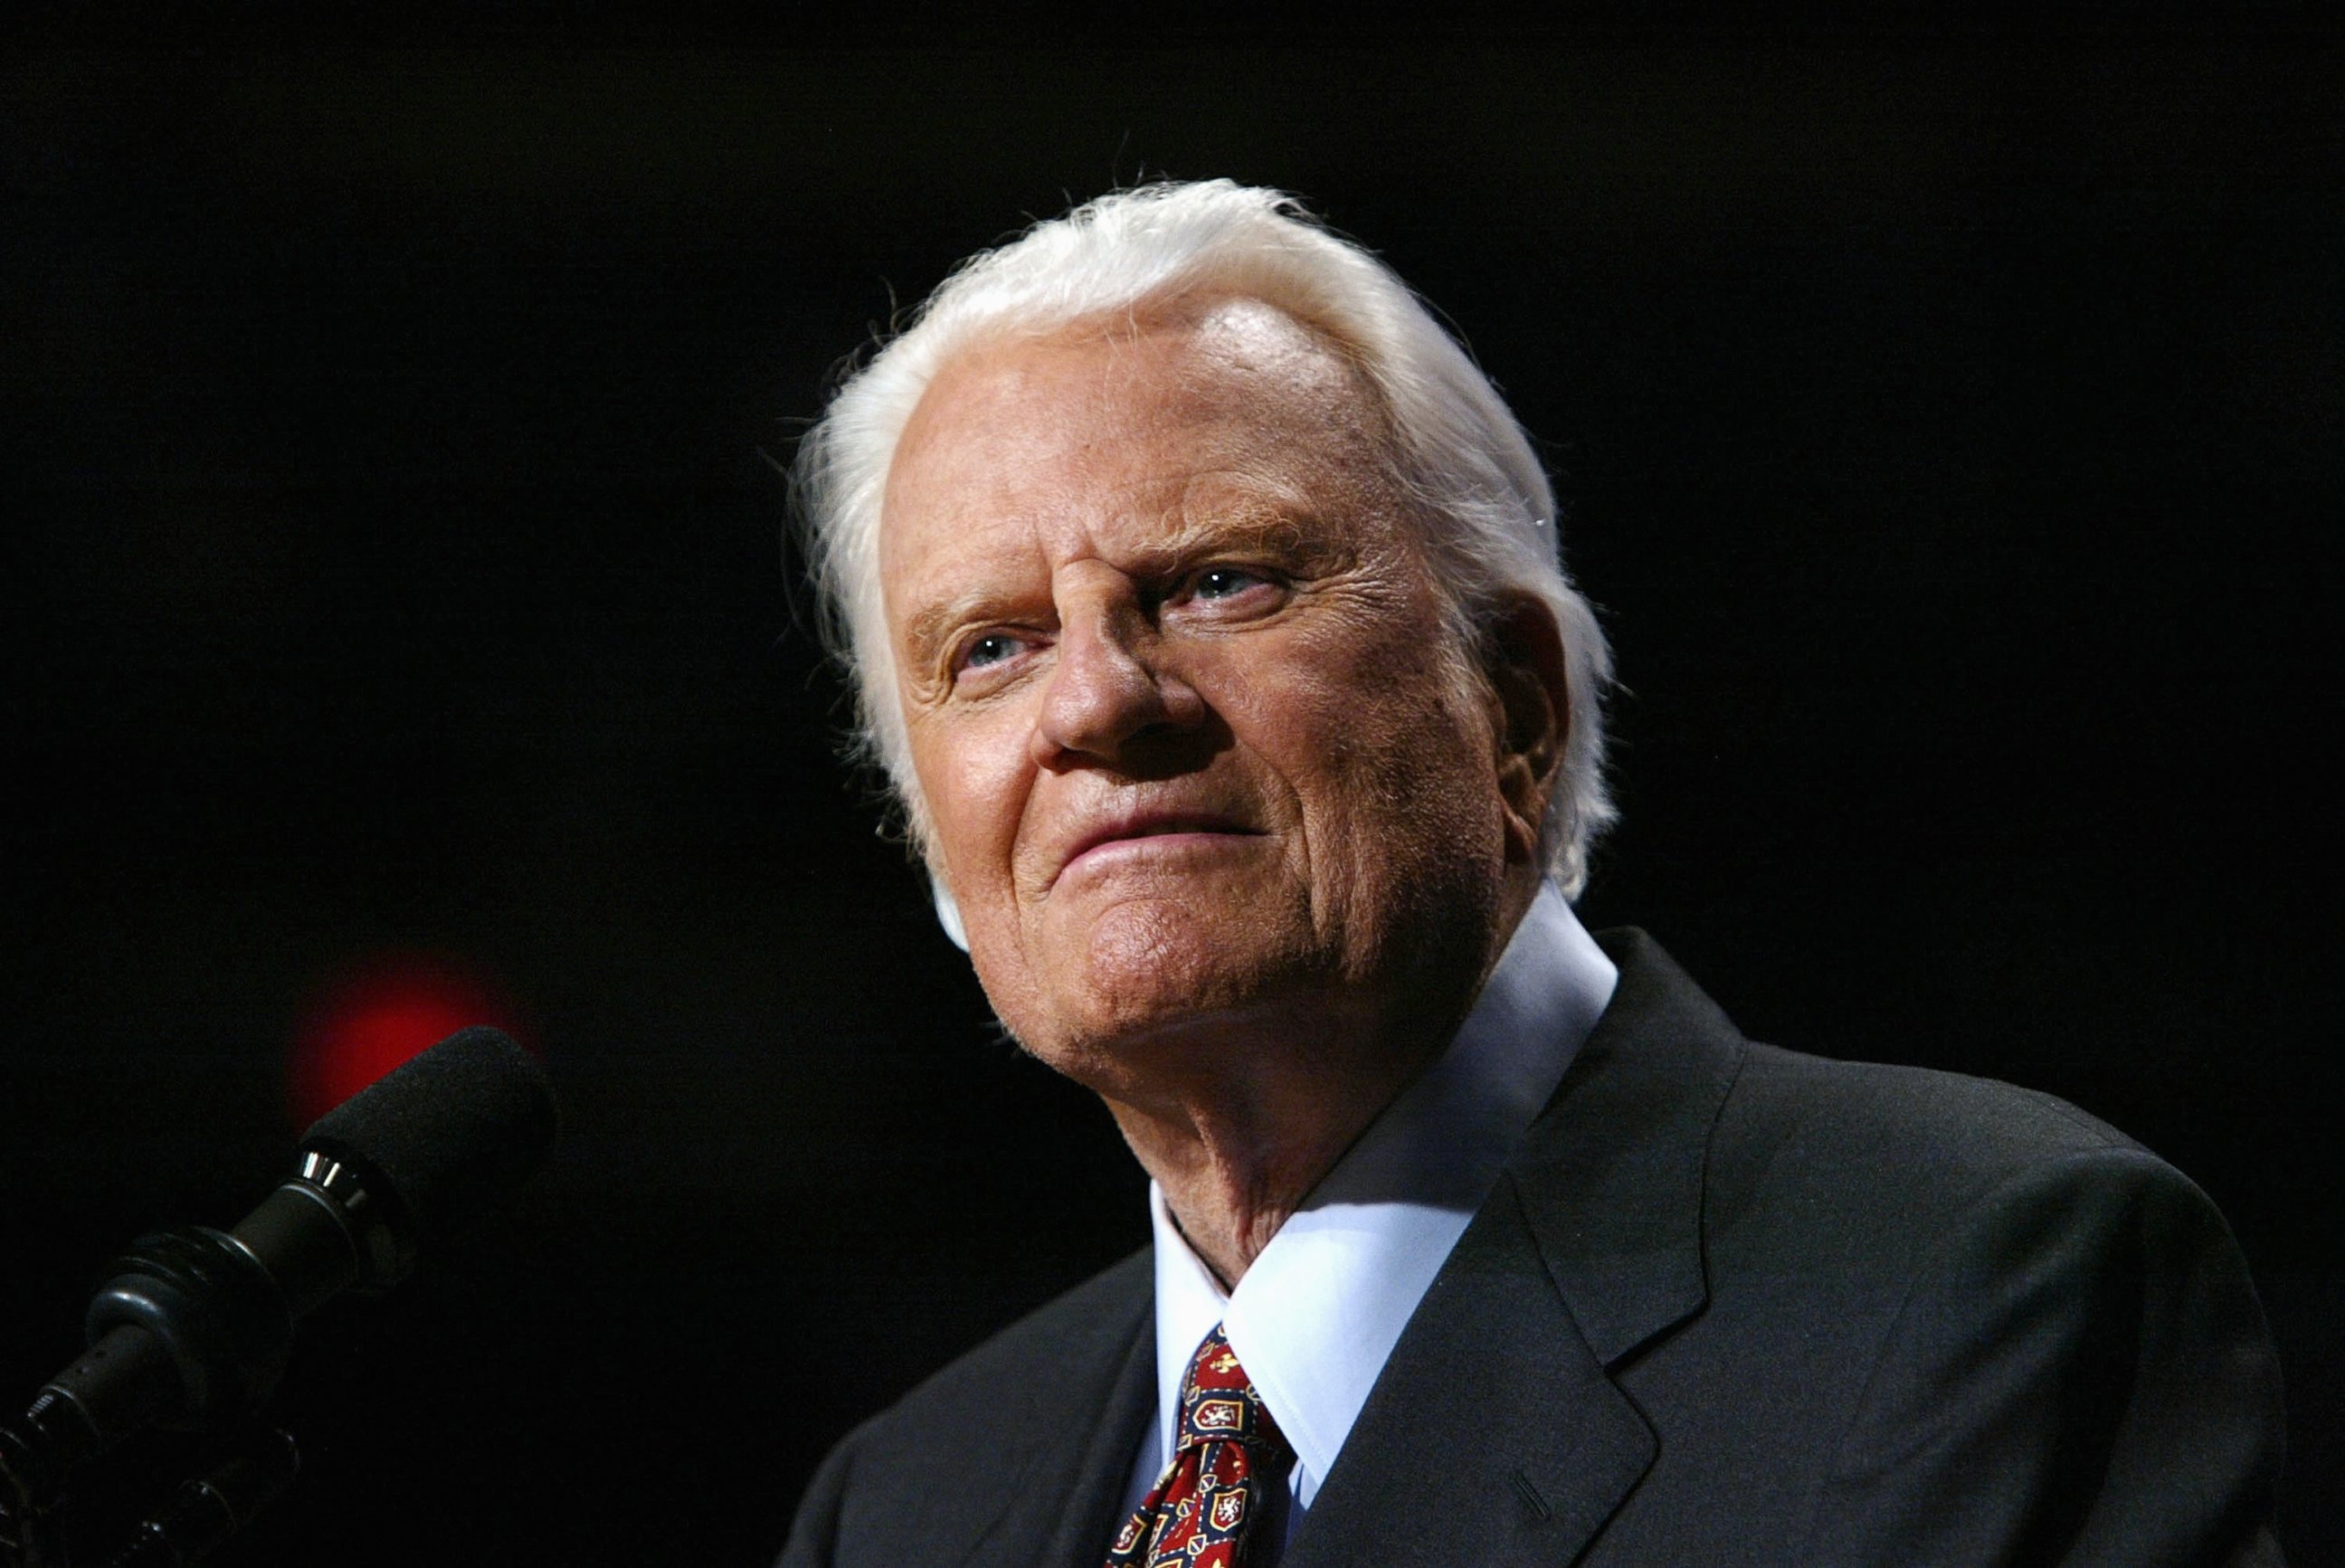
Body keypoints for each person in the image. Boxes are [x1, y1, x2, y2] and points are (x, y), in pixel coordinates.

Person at [775, 182, 2286, 1567]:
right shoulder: (905, 1504)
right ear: (940, 855)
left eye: (1219, 580)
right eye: (992, 648)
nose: (1097, 702)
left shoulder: (1972, 1300)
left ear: (1513, 710)